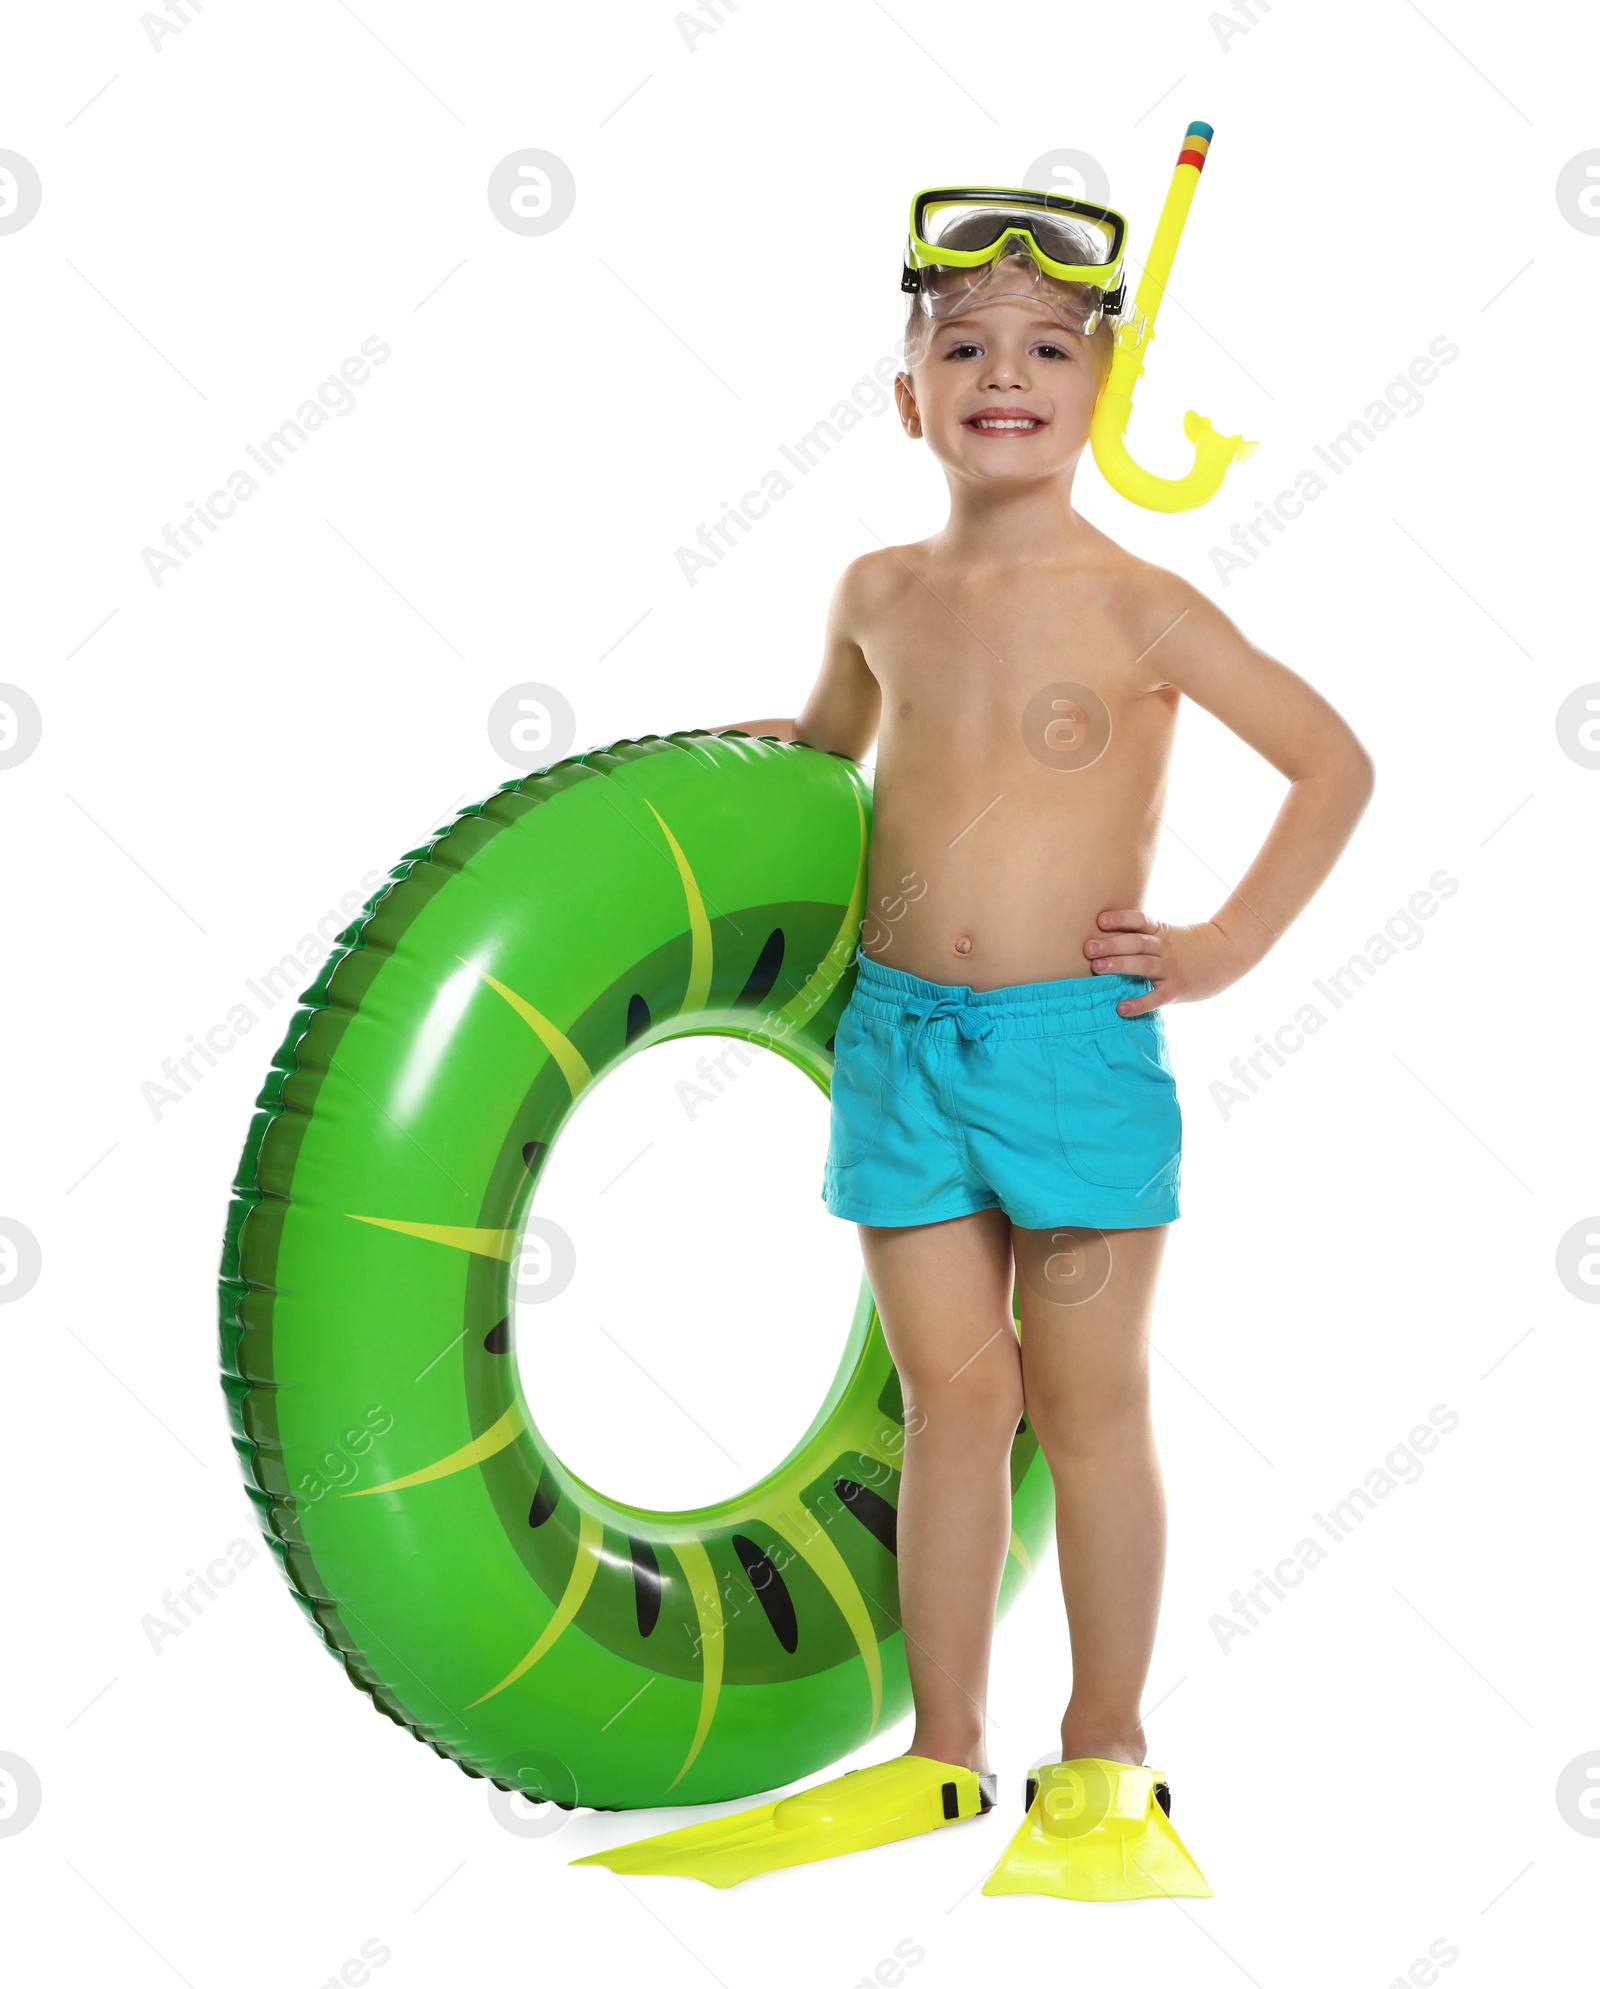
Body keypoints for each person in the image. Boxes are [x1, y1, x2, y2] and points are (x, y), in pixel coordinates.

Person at [581, 183, 1374, 1900]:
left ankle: (1106, 1752)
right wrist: (773, 753)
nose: (1000, 369)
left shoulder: (1141, 602)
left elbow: (1335, 764)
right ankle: (944, 1751)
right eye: (961, 345)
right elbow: (840, 739)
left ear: (1107, 394)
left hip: (1072, 1054)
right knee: (956, 1405)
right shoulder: (874, 584)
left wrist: (1224, 943)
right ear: (908, 397)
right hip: (897, 1042)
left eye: (1044, 346)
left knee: (1086, 1409)